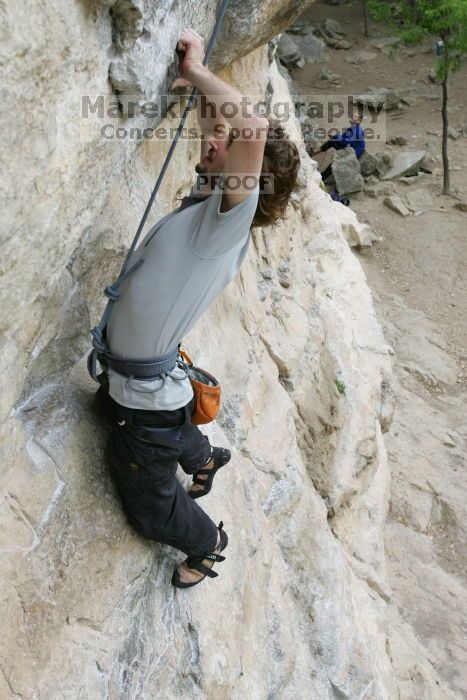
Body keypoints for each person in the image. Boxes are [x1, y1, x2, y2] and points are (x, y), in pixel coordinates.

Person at [96, 28, 301, 589]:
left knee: (149, 505)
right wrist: (201, 75)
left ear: (249, 178)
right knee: (145, 426)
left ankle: (208, 544)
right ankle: (203, 456)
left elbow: (250, 127)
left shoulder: (223, 225)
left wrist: (197, 68)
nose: (213, 141)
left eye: (227, 145)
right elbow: (222, 122)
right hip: (150, 390)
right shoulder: (211, 200)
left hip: (145, 404)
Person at [312, 111, 365, 184]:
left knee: (335, 162)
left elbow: (346, 141)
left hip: (353, 152)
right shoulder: (352, 127)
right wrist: (334, 137)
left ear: (358, 121)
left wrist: (336, 137)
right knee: (331, 142)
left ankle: (321, 178)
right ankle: (314, 152)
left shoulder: (357, 131)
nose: (352, 116)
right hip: (349, 147)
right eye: (353, 115)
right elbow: (343, 137)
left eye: (355, 116)